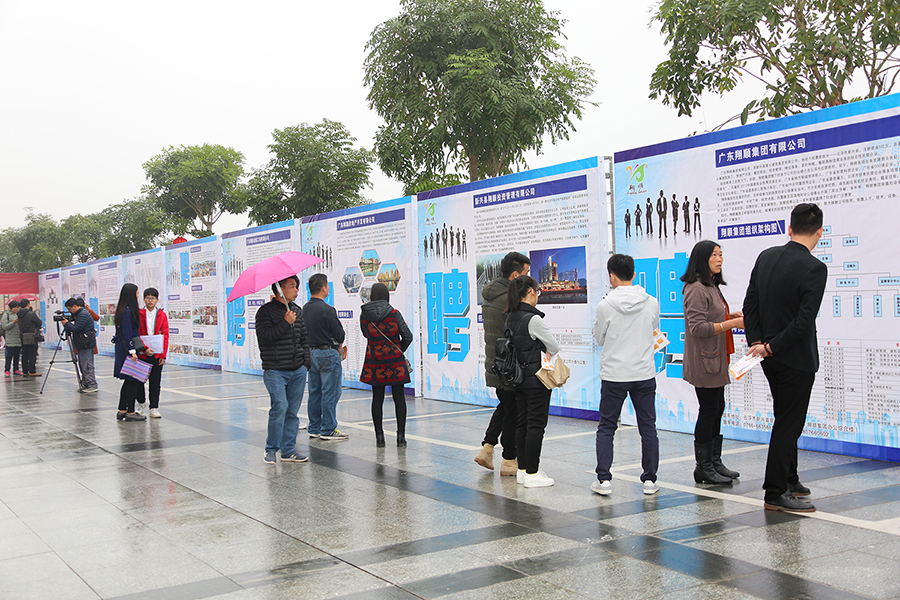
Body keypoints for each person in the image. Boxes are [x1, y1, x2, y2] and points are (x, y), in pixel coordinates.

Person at [744, 203, 827, 513]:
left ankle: (790, 478)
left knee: (785, 418)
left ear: (789, 228)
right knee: (789, 424)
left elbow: (750, 304)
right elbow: (803, 321)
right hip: (794, 358)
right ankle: (775, 492)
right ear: (820, 232)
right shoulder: (814, 268)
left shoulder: (766, 256)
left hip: (770, 357)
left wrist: (759, 343)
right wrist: (772, 346)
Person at [591, 254, 661, 496]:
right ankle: (650, 480)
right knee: (648, 427)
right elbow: (653, 328)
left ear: (611, 276)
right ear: (633, 273)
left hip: (614, 374)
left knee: (607, 427)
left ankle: (604, 480)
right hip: (644, 372)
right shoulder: (651, 302)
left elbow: (599, 338)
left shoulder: (605, 305)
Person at [681, 241, 744, 485]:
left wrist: (729, 316)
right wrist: (732, 324)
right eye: (714, 255)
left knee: (717, 407)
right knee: (709, 409)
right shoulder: (696, 288)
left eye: (720, 254)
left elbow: (712, 316)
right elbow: (697, 327)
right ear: (702, 259)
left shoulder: (711, 285)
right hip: (704, 360)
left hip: (716, 358)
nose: (720, 259)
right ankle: (703, 467)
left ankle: (715, 462)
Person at [476, 252, 531, 476]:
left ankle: (488, 448)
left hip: (496, 362)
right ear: (515, 275)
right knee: (512, 413)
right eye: (526, 273)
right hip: (510, 364)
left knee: (506, 406)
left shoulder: (491, 294)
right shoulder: (509, 299)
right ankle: (509, 460)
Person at [506, 275, 560, 488]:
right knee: (536, 425)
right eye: (537, 291)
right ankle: (532, 472)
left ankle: (522, 470)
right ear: (530, 292)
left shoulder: (510, 316)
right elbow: (554, 347)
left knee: (522, 423)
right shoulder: (533, 319)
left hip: (518, 378)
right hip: (537, 379)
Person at [257, 275, 310, 464]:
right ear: (280, 290)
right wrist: (285, 322)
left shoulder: (297, 311)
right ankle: (271, 449)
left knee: (292, 412)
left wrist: (305, 364)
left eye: (297, 286)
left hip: (297, 369)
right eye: (292, 286)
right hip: (275, 370)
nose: (296, 290)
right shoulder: (265, 312)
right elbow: (264, 338)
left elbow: (304, 338)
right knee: (279, 406)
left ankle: (288, 450)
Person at [360, 283, 413, 447]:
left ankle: (380, 437)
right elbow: (408, 336)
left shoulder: (364, 315)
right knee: (399, 398)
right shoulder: (394, 314)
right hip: (395, 362)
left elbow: (366, 334)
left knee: (377, 398)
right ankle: (401, 437)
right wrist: (398, 350)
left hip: (375, 362)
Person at [303, 273, 347, 440]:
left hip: (311, 353)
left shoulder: (304, 309)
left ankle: (314, 427)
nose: (328, 288)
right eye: (327, 285)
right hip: (327, 353)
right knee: (331, 391)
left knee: (315, 391)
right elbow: (339, 334)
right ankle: (328, 428)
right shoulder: (327, 310)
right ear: (323, 288)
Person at [113, 283, 146, 421]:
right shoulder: (127, 312)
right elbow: (127, 333)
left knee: (128, 380)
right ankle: (131, 412)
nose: (138, 296)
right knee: (132, 380)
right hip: (127, 349)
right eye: (137, 293)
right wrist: (132, 351)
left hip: (123, 348)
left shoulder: (122, 309)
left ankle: (122, 410)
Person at [137, 288, 169, 418]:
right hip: (142, 353)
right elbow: (136, 334)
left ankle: (154, 407)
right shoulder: (139, 314)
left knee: (155, 382)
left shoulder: (162, 315)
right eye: (148, 298)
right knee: (139, 381)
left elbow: (165, 335)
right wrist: (143, 348)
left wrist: (163, 355)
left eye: (153, 298)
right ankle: (140, 403)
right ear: (144, 299)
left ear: (157, 300)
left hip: (156, 353)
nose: (150, 300)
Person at [62, 297, 99, 393]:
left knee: (87, 365)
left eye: (69, 309)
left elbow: (77, 329)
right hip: (83, 343)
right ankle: (86, 384)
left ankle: (92, 385)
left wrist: (67, 324)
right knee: (83, 365)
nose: (69, 311)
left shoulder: (82, 314)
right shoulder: (80, 314)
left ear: (75, 306)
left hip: (85, 343)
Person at [17, 299, 42, 377]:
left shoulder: (19, 314)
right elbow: (39, 323)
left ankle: (25, 371)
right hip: (32, 335)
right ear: (28, 304)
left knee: (24, 353)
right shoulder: (31, 314)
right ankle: (32, 371)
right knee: (32, 353)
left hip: (23, 335)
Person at [2, 300, 22, 376]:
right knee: (9, 356)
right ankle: (7, 370)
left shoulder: (19, 314)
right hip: (10, 338)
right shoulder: (6, 315)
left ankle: (16, 369)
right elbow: (4, 327)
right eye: (15, 307)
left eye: (17, 307)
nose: (16, 309)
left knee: (17, 355)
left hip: (18, 338)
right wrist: (14, 322)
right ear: (11, 308)